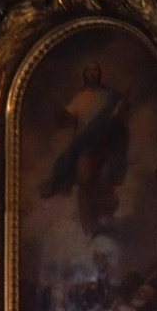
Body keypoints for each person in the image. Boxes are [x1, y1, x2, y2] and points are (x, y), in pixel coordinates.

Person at [40, 59, 132, 236]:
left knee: (104, 183)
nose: (92, 73)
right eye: (89, 70)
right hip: (85, 146)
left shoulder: (110, 96)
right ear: (85, 75)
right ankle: (88, 227)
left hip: (106, 146)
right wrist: (60, 114)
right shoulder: (79, 98)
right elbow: (66, 120)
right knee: (85, 184)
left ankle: (103, 223)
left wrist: (121, 111)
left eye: (95, 70)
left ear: (99, 73)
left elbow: (120, 118)